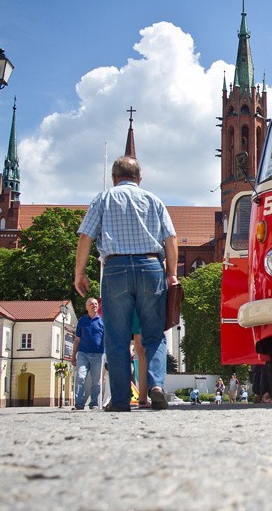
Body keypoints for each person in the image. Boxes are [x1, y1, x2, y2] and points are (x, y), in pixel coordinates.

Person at [75, 156, 178, 412]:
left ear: (114, 177)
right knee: (154, 335)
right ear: (139, 178)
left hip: (115, 268)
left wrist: (80, 272)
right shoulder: (153, 200)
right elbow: (171, 238)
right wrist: (172, 274)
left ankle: (121, 400)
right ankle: (155, 386)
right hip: (151, 266)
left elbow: (86, 236)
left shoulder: (103, 199)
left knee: (117, 337)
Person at [71, 298, 105, 410]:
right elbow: (77, 340)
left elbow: (107, 340)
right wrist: (73, 356)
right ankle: (78, 404)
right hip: (83, 353)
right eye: (91, 304)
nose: (94, 306)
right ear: (86, 307)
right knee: (80, 376)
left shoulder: (102, 322)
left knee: (96, 381)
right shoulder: (82, 321)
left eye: (96, 304)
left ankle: (94, 403)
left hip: (98, 354)